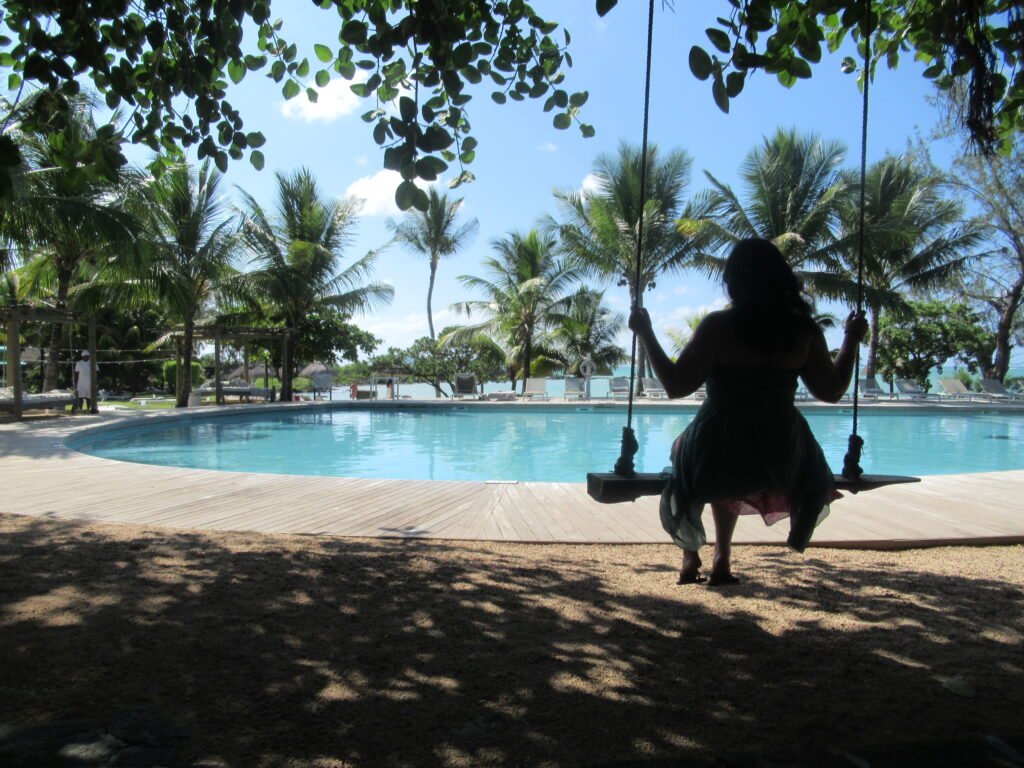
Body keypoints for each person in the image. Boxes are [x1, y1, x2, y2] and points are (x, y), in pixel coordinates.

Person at [629, 238, 868, 586]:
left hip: (719, 441)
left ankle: (691, 551)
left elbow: (676, 385)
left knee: (685, 453)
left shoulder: (719, 327)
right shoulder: (802, 332)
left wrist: (647, 332)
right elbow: (831, 391)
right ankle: (721, 556)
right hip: (783, 450)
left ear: (734, 282)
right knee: (721, 461)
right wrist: (850, 340)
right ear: (783, 279)